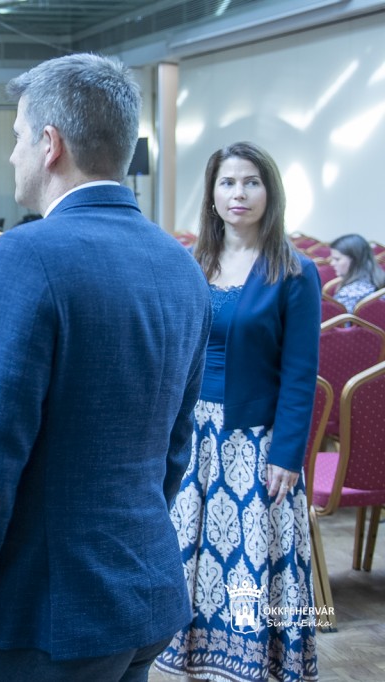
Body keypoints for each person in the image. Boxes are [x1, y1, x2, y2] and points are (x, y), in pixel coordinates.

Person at [0, 53, 212, 681]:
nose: (12, 154)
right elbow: (174, 449)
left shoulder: (26, 256)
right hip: (144, 594)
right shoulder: (181, 265)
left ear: (50, 145)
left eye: (17, 136)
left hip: (44, 615)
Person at [155, 142, 321, 681]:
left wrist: (288, 454)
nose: (238, 193)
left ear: (269, 192)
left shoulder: (294, 272)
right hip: (192, 436)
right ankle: (197, 659)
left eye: (251, 182)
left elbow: (301, 374)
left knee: (249, 559)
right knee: (192, 555)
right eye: (227, 182)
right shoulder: (193, 262)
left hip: (256, 441)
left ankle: (250, 662)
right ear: (212, 194)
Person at [329, 233, 385, 312]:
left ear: (355, 260)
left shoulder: (348, 294)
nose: (332, 263)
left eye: (337, 259)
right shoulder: (379, 280)